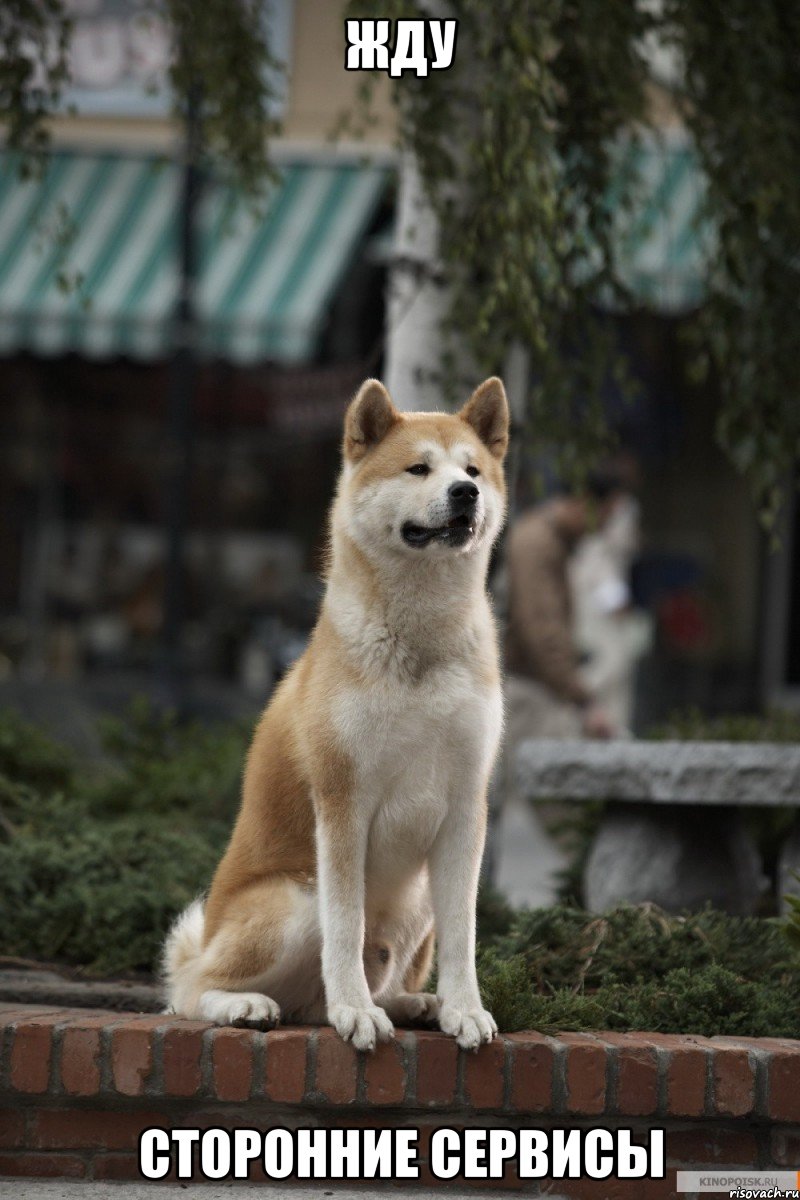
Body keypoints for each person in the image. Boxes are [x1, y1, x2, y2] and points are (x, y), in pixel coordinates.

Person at [503, 470, 627, 743]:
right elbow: (542, 630)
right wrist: (583, 701)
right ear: (586, 502)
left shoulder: (551, 541)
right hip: (527, 691)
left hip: (537, 687)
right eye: (606, 515)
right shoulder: (538, 544)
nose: (605, 527)